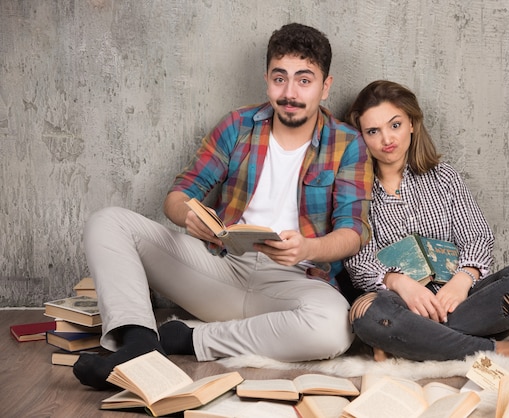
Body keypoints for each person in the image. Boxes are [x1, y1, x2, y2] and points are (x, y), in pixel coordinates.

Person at [73, 23, 373, 390]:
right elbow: (179, 194)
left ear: (325, 86)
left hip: (292, 285)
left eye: (304, 80)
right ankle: (137, 345)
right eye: (280, 78)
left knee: (333, 328)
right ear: (267, 79)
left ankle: (188, 340)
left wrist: (307, 248)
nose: (289, 93)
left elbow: (352, 232)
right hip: (219, 268)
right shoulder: (238, 125)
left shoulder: (348, 144)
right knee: (108, 222)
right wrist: (191, 216)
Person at [343, 80, 509, 367]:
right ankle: (497, 350)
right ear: (362, 138)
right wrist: (401, 284)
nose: (386, 139)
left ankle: (413, 344)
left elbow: (478, 237)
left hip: (462, 301)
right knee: (365, 312)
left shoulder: (444, 177)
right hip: (399, 305)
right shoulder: (355, 190)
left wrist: (462, 281)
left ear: (412, 124)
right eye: (373, 131)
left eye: (395, 125)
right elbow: (359, 264)